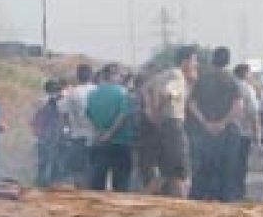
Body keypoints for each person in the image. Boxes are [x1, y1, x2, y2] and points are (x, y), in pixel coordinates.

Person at [188, 46, 245, 202]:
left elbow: (192, 104)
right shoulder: (232, 80)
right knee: (227, 171)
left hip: (204, 131)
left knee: (205, 169)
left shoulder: (202, 79)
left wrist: (206, 123)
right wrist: (222, 123)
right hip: (228, 131)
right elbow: (238, 106)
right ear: (228, 60)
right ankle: (226, 205)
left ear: (213, 59)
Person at [141, 45, 199, 196]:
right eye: (194, 60)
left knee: (168, 173)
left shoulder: (163, 74)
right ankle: (182, 208)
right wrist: (156, 110)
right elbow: (166, 93)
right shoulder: (177, 75)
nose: (196, 64)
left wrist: (150, 111)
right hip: (174, 125)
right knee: (181, 174)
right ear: (186, 61)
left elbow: (145, 89)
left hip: (163, 127)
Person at [85, 63, 134, 192]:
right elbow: (123, 115)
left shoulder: (92, 94)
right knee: (121, 185)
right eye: (120, 75)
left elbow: (88, 114)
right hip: (120, 143)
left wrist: (100, 131)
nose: (122, 78)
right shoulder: (123, 93)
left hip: (99, 142)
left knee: (97, 184)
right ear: (114, 75)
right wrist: (110, 133)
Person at [57, 64, 96, 186]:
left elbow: (63, 114)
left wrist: (67, 129)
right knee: (95, 172)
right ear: (92, 75)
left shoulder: (71, 93)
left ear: (78, 76)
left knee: (78, 172)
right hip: (97, 137)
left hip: (77, 137)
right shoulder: (97, 91)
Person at [234, 63, 263, 199]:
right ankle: (239, 192)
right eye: (250, 73)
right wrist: (257, 134)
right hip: (243, 132)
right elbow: (254, 113)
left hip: (223, 130)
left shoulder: (230, 85)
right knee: (240, 164)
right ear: (245, 74)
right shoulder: (247, 88)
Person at [30, 78, 65, 188]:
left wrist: (37, 132)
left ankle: (41, 184)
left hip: (45, 136)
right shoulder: (56, 101)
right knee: (53, 163)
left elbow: (33, 120)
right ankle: (51, 185)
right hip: (53, 136)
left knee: (43, 163)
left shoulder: (40, 101)